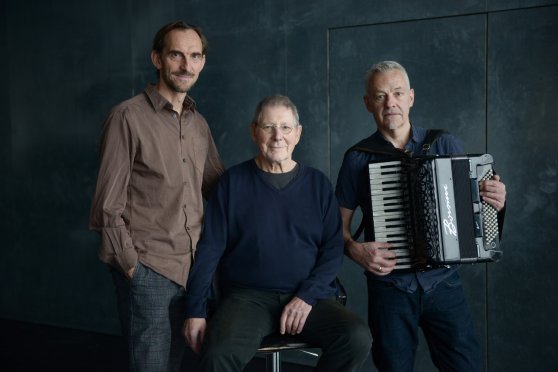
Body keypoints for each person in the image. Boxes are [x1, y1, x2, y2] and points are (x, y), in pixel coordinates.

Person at [335, 61, 507, 371]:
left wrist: (495, 200)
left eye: (398, 93)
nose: (391, 103)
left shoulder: (445, 143)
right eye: (381, 96)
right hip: (390, 289)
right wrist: (354, 249)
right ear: (367, 103)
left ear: (411, 97)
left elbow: (476, 209)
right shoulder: (357, 158)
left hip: (444, 284)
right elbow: (336, 226)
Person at [183, 95, 372, 372]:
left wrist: (307, 296)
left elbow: (332, 251)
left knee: (356, 338)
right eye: (268, 127)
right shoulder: (232, 183)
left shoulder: (317, 185)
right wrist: (195, 310)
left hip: (309, 298)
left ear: (298, 133)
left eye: (285, 127)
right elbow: (209, 249)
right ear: (254, 131)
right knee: (218, 353)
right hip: (247, 299)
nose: (277, 136)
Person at [89, 20, 224, 372]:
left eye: (195, 56)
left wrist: (274, 175)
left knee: (177, 364)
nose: (186, 65)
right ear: (157, 58)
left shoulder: (199, 124)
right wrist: (135, 268)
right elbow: (106, 207)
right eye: (176, 54)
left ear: (203, 62)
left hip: (193, 271)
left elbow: (218, 188)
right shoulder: (127, 117)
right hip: (149, 270)